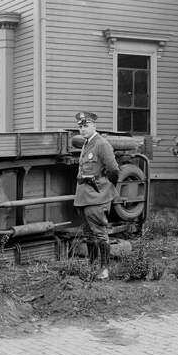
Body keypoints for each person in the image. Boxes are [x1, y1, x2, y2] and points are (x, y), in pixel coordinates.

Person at [73, 112, 120, 280]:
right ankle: (92, 268)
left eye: (86, 125)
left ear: (94, 126)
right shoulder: (86, 144)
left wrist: (105, 186)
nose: (83, 129)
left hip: (97, 196)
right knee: (89, 235)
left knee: (100, 233)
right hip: (84, 196)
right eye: (80, 126)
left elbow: (114, 170)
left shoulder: (101, 144)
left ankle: (105, 269)